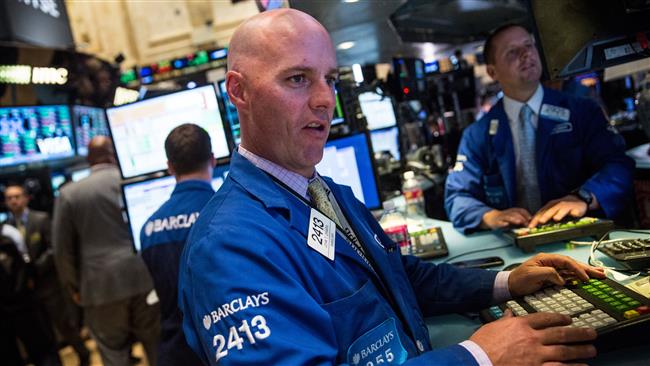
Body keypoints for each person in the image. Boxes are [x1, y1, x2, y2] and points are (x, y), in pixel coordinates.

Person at [178, 9, 606, 365]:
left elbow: (401, 278)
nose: (326, 99)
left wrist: (505, 282)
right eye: (297, 79)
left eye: (330, 78)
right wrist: (477, 356)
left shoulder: (328, 194)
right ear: (240, 91)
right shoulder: (228, 247)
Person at [444, 24, 634, 234]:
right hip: (516, 247)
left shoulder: (581, 111)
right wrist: (491, 216)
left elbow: (618, 166)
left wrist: (584, 197)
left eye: (529, 46)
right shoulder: (477, 134)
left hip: (579, 237)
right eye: (513, 52)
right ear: (492, 72)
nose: (526, 54)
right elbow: (457, 198)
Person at [53, 136, 160, 366]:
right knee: (157, 347)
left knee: (113, 354)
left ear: (88, 159)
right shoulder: (133, 180)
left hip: (100, 286)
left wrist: (74, 288)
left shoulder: (69, 194)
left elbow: (62, 251)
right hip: (144, 277)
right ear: (113, 154)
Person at [139, 124, 215, 365]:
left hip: (175, 353)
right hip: (221, 347)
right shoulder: (228, 213)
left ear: (170, 167)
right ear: (212, 160)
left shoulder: (149, 228)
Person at [4, 184, 91, 366]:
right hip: (28, 293)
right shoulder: (7, 228)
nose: (14, 201)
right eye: (9, 198)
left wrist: (35, 268)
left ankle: (83, 353)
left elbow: (54, 248)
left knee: (65, 326)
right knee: (43, 334)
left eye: (17, 196)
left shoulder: (41, 219)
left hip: (49, 285)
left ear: (26, 198)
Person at [0, 222, 61, 366]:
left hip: (24, 305)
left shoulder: (9, 236)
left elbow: (26, 266)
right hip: (3, 315)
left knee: (42, 350)